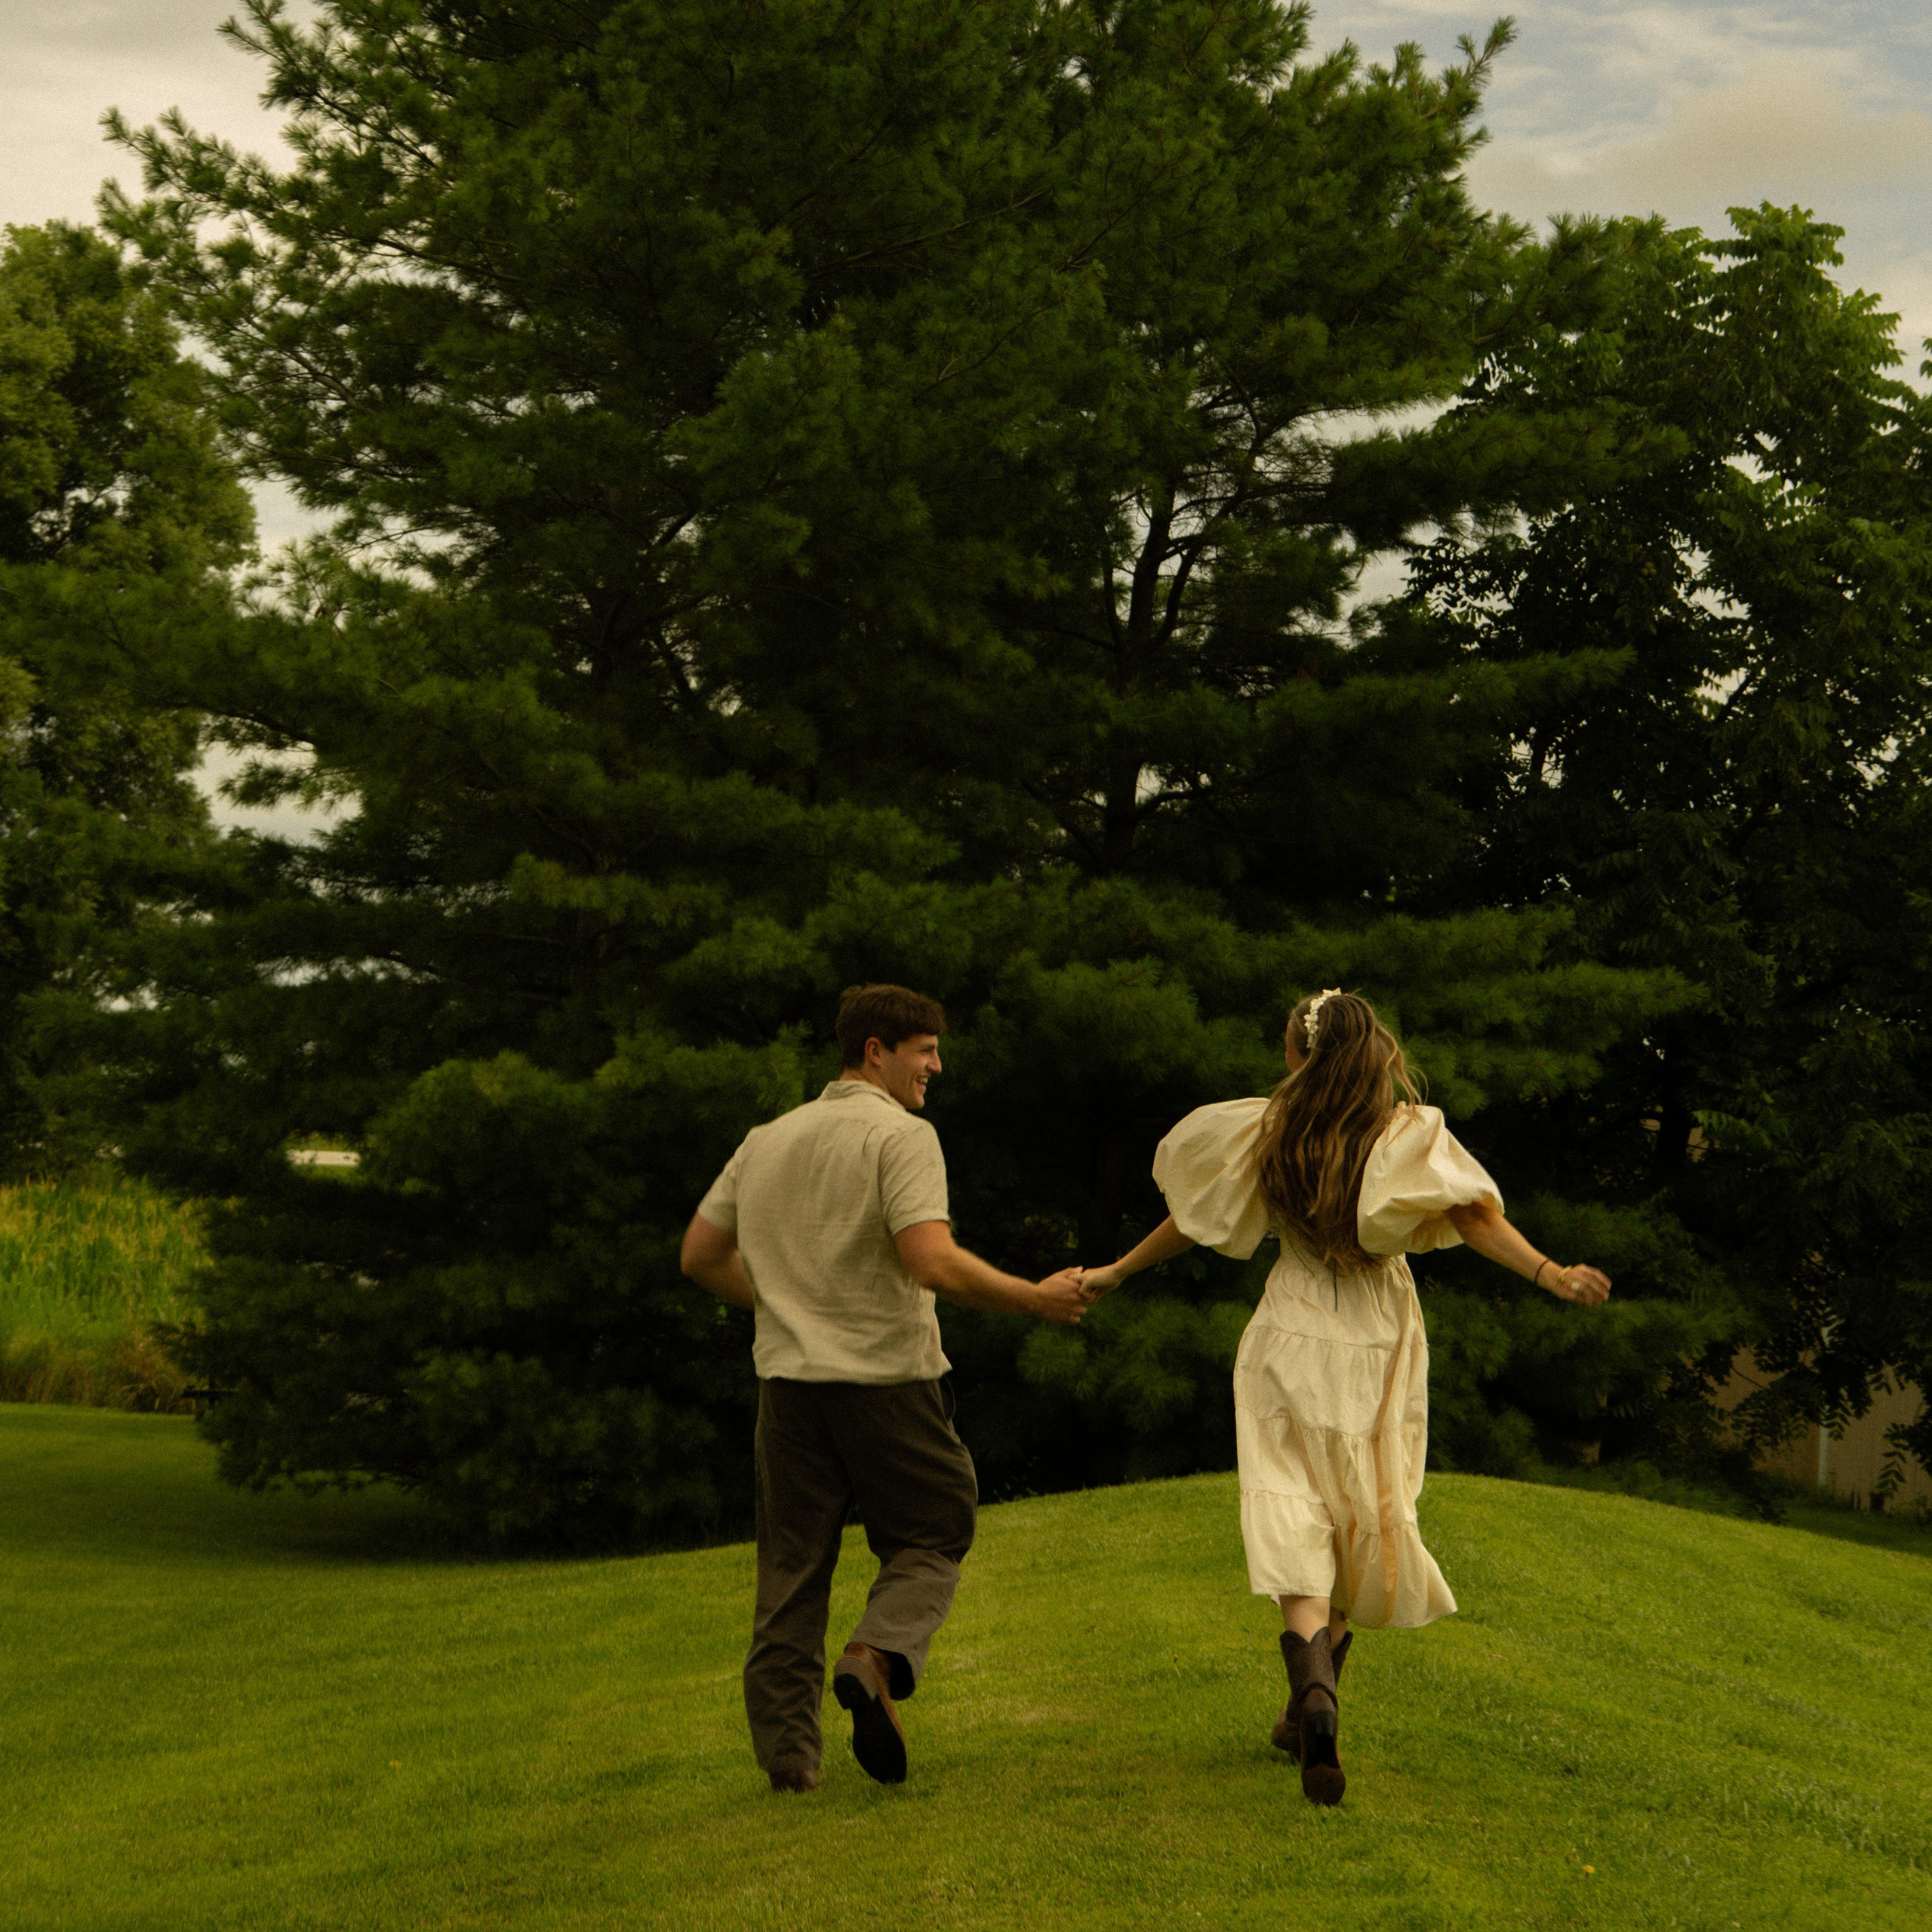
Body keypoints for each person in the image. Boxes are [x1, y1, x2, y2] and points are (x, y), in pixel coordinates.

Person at [1075, 989, 1611, 1807]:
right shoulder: (1406, 1137)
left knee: (1293, 1508)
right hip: (1376, 1336)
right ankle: (1314, 1698)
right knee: (1359, 1505)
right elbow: (1471, 1217)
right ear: (1376, 1054)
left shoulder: (1269, 1131)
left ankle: (1310, 1696)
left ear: (1299, 1057)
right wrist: (1549, 1272)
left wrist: (1114, 1270)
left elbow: (1193, 1219)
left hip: (1287, 1329)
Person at [681, 983, 1089, 1794]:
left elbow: (698, 1254)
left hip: (788, 1388)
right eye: (925, 1049)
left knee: (791, 1571)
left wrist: (790, 1302)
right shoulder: (901, 1136)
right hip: (886, 1380)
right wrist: (1034, 1298)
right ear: (875, 1050)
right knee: (936, 1529)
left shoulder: (767, 1138)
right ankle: (875, 1654)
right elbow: (930, 1261)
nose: (937, 1065)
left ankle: (791, 1765)